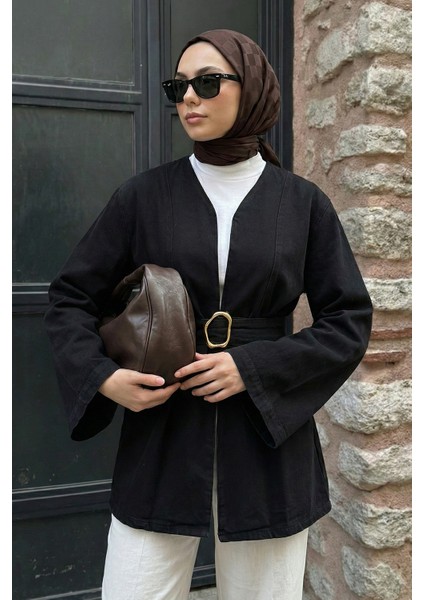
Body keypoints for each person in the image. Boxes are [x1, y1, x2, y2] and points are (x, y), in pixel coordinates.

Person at [44, 29, 373, 600]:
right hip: (162, 435)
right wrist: (103, 377)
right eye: (179, 86)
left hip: (268, 444)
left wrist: (252, 368)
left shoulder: (302, 204)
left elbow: (348, 320)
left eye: (208, 82)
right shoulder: (143, 197)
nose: (189, 97)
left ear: (254, 88)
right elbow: (71, 297)